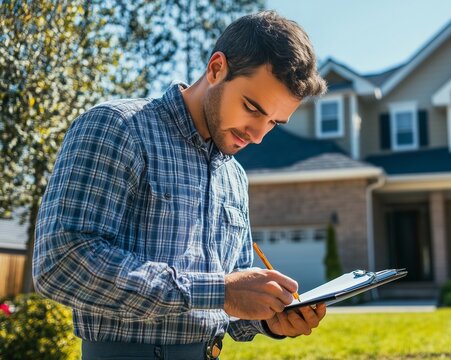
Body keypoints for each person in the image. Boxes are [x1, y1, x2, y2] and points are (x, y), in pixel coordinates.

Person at [33, 10, 328, 360]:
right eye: (251, 107)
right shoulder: (118, 128)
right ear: (217, 68)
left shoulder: (234, 176)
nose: (258, 135)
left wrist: (270, 319)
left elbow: (231, 301)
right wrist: (219, 291)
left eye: (274, 123)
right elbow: (61, 262)